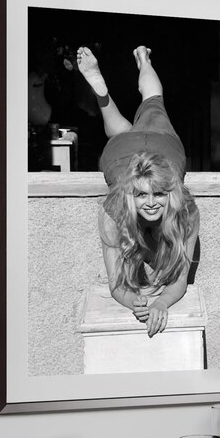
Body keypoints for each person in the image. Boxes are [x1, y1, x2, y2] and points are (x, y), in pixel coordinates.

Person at [77, 45, 200, 338]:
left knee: (126, 126)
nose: (151, 203)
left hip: (141, 152)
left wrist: (160, 302)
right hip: (155, 151)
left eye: (159, 194)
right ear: (129, 194)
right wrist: (141, 303)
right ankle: (143, 58)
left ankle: (103, 95)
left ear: (170, 192)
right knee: (152, 101)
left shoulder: (180, 208)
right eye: (142, 195)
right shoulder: (178, 208)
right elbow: (125, 285)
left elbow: (118, 284)